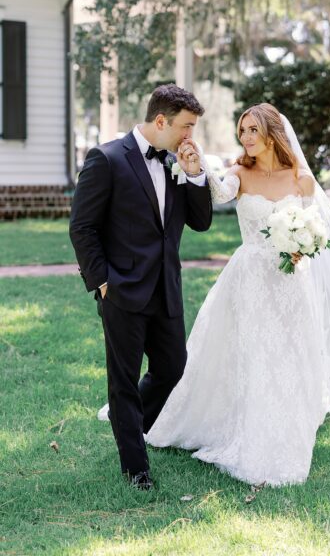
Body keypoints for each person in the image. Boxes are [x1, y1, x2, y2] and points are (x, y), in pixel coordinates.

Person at [142, 103, 330, 487]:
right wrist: (196, 167)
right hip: (248, 278)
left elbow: (317, 228)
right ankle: (242, 423)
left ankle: (287, 422)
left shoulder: (301, 179)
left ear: (271, 132)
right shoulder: (239, 174)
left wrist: (304, 245)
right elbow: (216, 193)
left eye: (252, 130)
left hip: (290, 280)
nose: (246, 137)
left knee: (289, 353)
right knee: (252, 352)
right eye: (242, 131)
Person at [70, 84, 213, 491]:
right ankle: (136, 467)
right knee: (124, 380)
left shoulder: (178, 161)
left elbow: (200, 223)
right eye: (186, 127)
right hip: (121, 291)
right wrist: (101, 283)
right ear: (161, 121)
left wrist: (195, 174)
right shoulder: (107, 158)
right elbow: (83, 227)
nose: (190, 136)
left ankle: (129, 423)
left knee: (172, 369)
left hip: (166, 288)